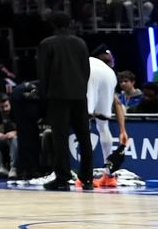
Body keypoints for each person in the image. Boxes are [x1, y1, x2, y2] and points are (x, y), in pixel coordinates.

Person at [37, 12, 92, 192]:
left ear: (53, 24)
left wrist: (44, 97)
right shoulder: (80, 43)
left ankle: (62, 178)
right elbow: (86, 70)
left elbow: (43, 73)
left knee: (60, 138)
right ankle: (87, 177)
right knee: (84, 137)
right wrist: (81, 89)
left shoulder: (47, 44)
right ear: (69, 24)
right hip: (79, 96)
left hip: (58, 96)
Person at [87, 46, 128, 182]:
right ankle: (109, 175)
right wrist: (122, 130)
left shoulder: (88, 63)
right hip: (108, 76)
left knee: (85, 121)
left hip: (89, 72)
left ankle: (84, 174)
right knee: (103, 124)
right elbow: (117, 103)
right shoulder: (110, 71)